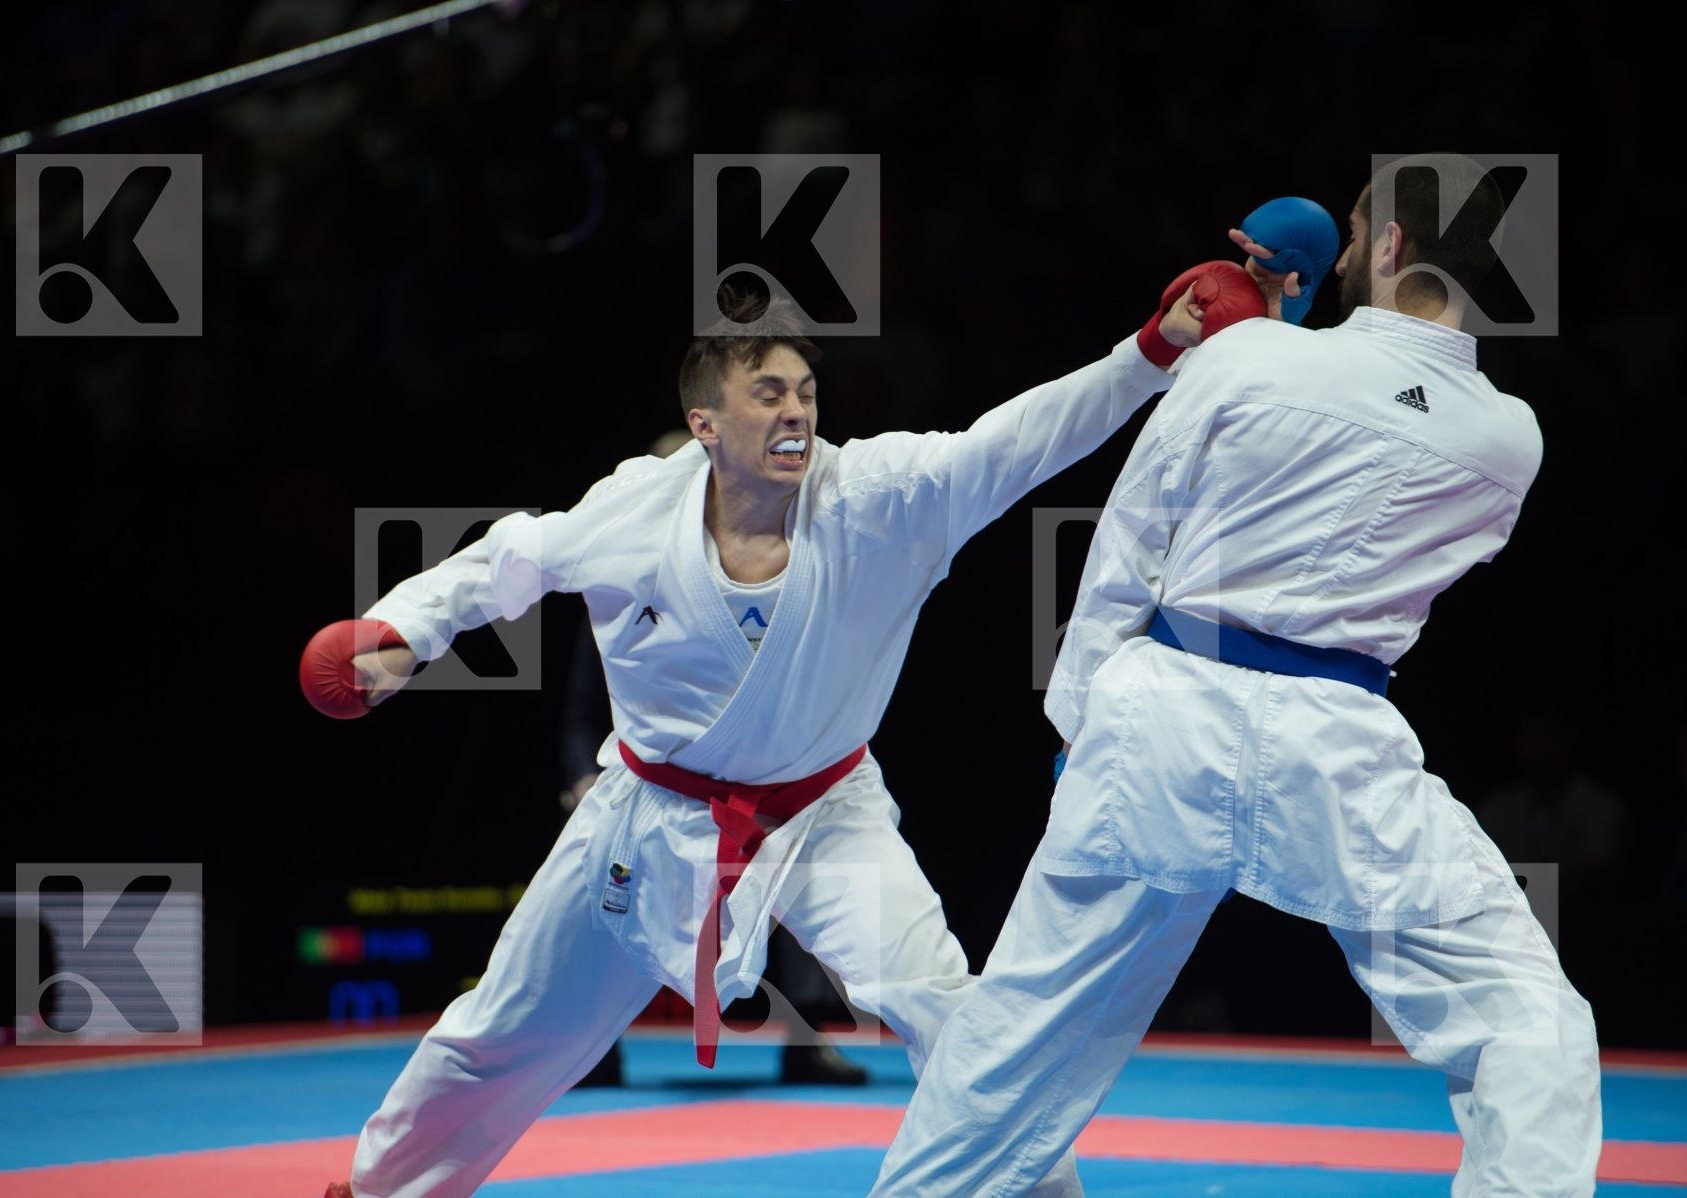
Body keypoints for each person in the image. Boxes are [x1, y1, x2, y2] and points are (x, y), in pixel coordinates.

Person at [297, 234, 1273, 1198]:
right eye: (768, 393)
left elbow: (1017, 440)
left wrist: (1147, 352)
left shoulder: (882, 499)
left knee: (947, 1007)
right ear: (706, 424)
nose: (796, 408)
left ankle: (1038, 1193)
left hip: (825, 811)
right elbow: (505, 561)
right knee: (503, 1032)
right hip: (645, 819)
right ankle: (378, 1188)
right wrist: (396, 631)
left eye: (805, 390)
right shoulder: (632, 511)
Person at [870, 154, 1603, 1198]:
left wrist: (1079, 731)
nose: (1347, 250)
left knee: (1012, 1046)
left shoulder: (1245, 358)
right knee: (1529, 1020)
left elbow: (1128, 545)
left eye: (1358, 232)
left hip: (1163, 717)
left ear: (1389, 246)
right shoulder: (1509, 439)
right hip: (1338, 745)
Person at [561, 430, 870, 1088]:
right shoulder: (624, 584)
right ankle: (593, 1048)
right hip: (656, 790)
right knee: (600, 867)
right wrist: (584, 779)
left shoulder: (785, 573)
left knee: (810, 854)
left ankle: (809, 1039)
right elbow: (586, 707)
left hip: (763, 788)